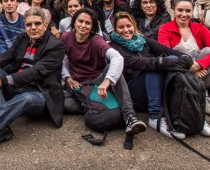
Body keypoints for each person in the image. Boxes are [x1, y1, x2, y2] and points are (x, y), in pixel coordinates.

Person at [0, 8, 65, 152]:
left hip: (39, 93)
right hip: (16, 85)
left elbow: (37, 71)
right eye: (28, 24)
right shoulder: (22, 38)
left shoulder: (56, 46)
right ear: (24, 26)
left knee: (27, 97)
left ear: (45, 25)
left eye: (37, 24)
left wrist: (3, 81)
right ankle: (1, 129)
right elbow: (5, 58)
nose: (33, 28)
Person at [108, 12, 207, 138]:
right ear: (115, 30)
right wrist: (168, 61)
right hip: (133, 93)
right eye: (121, 27)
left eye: (128, 26)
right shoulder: (114, 48)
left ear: (134, 26)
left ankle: (193, 116)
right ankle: (155, 117)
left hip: (155, 88)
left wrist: (187, 60)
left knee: (171, 58)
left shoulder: (144, 41)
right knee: (155, 67)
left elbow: (170, 51)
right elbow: (141, 63)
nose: (126, 30)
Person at [61, 8, 147, 136]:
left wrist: (107, 81)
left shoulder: (96, 40)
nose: (83, 25)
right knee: (56, 101)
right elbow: (61, 60)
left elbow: (117, 57)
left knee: (114, 69)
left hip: (98, 80)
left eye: (88, 23)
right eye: (80, 21)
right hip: (78, 84)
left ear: (93, 26)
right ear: (74, 22)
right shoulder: (66, 37)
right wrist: (67, 77)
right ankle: (92, 106)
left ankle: (130, 116)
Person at [158, 0, 210, 117]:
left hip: (201, 74)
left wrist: (200, 64)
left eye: (188, 11)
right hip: (178, 72)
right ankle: (190, 94)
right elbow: (165, 52)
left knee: (209, 51)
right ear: (173, 10)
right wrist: (190, 67)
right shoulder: (165, 28)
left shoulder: (201, 29)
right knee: (178, 50)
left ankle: (202, 93)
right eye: (180, 10)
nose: (184, 14)